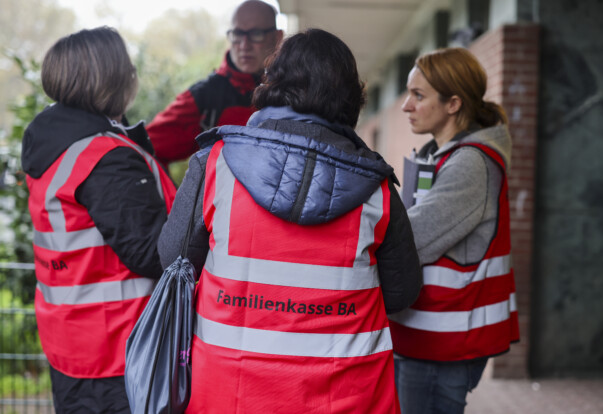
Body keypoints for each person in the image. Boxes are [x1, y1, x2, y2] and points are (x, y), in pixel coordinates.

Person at [158, 28, 423, 413]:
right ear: (351, 96)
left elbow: (174, 260)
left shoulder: (215, 164)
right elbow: (401, 293)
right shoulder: (376, 187)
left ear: (272, 82)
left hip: (227, 389)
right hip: (347, 392)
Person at [21, 27, 176, 413]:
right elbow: (152, 252)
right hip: (118, 352)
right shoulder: (102, 155)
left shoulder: (54, 141)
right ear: (112, 77)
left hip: (74, 343)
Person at [388, 47, 520, 414]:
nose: (406, 106)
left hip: (442, 342)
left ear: (453, 104)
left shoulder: (469, 164)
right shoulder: (445, 154)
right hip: (432, 336)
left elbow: (409, 239)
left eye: (418, 95)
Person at [146, 0, 284, 166]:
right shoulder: (205, 97)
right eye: (238, 34)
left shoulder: (294, 91)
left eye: (256, 34)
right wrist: (170, 192)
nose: (244, 45)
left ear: (278, 37)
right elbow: (146, 147)